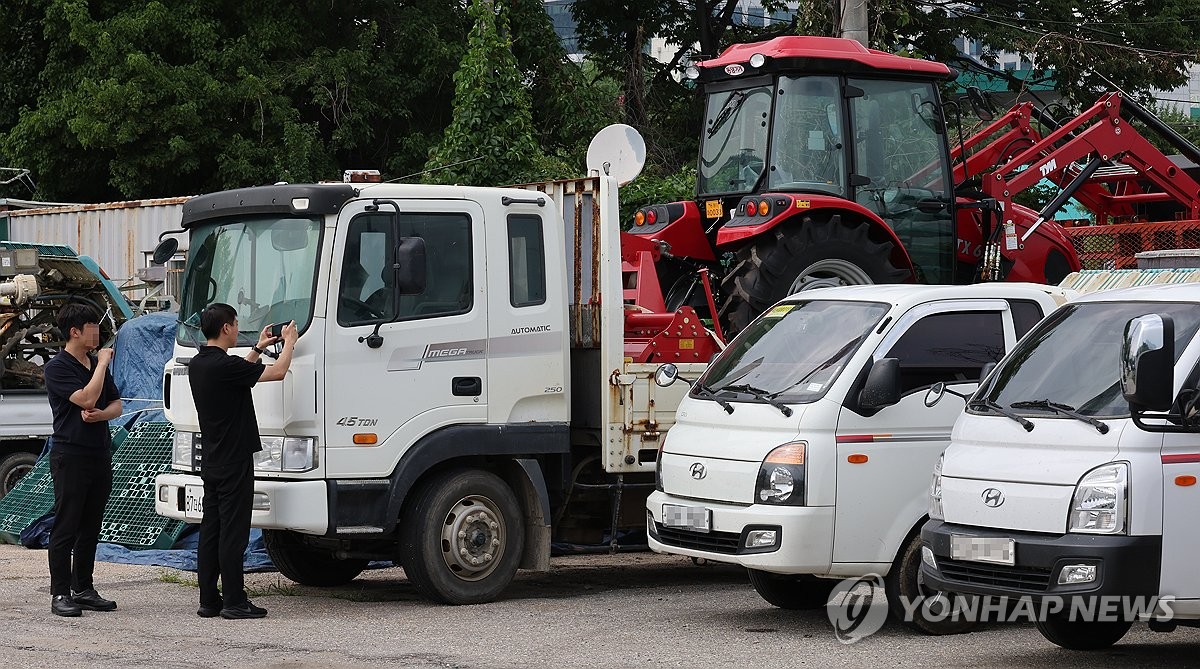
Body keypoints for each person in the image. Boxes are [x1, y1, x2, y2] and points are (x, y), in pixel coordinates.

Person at [188, 303, 297, 620]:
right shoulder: (224, 366)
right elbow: (277, 373)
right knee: (233, 532)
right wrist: (288, 341)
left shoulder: (201, 364)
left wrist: (259, 348)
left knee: (211, 530)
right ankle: (235, 601)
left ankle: (209, 600)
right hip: (234, 460)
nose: (238, 329)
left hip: (211, 459)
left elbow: (241, 374)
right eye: (236, 325)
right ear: (225, 328)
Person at [42, 303, 123, 617]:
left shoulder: (94, 362)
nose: (98, 331)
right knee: (66, 525)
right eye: (92, 325)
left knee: (91, 526)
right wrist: (102, 363)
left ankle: (84, 588)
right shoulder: (57, 367)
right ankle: (60, 592)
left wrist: (104, 414)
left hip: (98, 453)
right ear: (75, 331)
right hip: (70, 455)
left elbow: (116, 404)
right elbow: (86, 398)